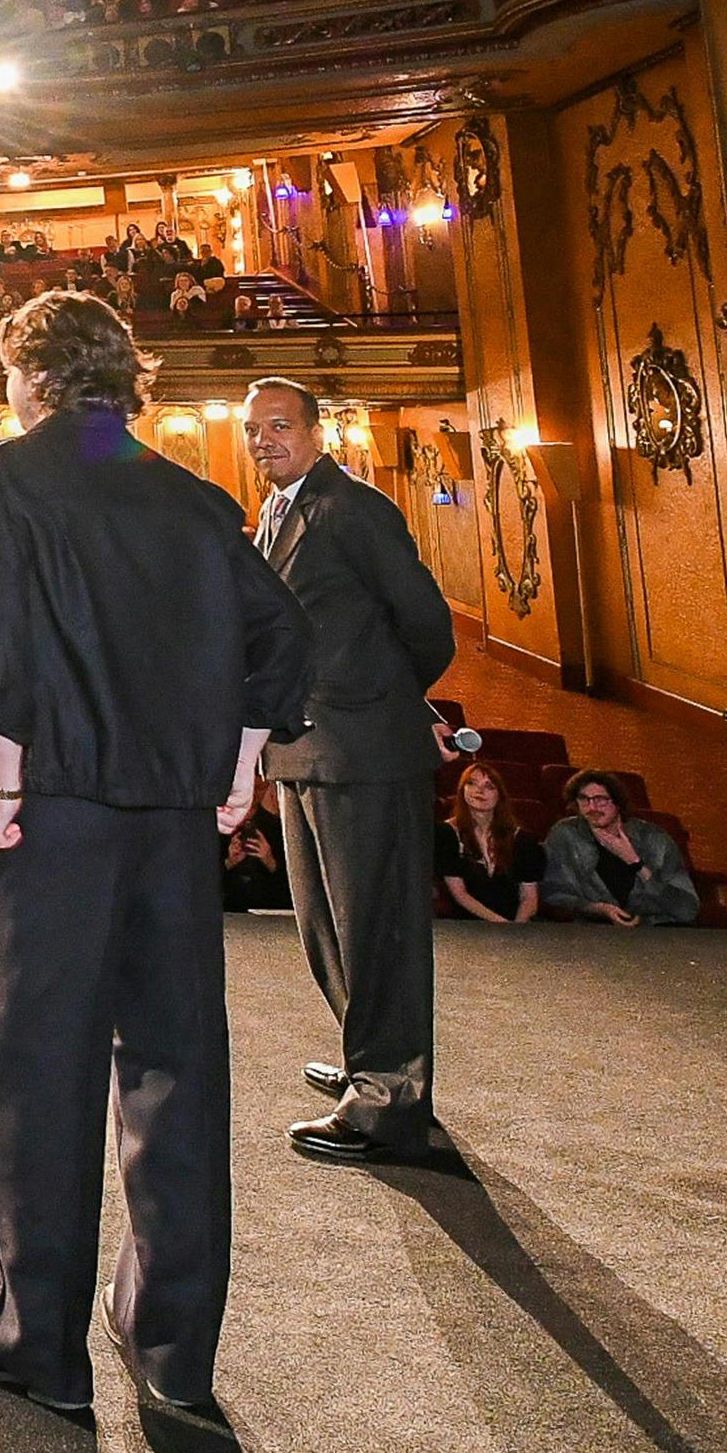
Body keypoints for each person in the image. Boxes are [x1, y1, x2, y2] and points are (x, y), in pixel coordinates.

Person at [0, 291, 310, 1427]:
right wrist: (238, 766)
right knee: (175, 1071)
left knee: (38, 1069)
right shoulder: (193, 498)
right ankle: (171, 1350)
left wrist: (0, 781)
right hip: (172, 829)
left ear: (31, 373)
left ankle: (29, 1342)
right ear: (120, 382)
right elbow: (281, 634)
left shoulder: (0, 476)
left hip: (55, 817)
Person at [242, 375, 460, 1168]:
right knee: (325, 925)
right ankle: (367, 1057)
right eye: (253, 430)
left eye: (279, 426)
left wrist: (388, 699)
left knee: (377, 927)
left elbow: (427, 624)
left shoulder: (354, 508)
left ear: (316, 431)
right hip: (304, 750)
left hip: (363, 752)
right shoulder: (275, 511)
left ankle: (389, 1098)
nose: (265, 441)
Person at [540, 772, 701, 926]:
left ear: (618, 803)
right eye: (584, 799)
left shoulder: (653, 837)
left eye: (601, 799)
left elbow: (687, 910)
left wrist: (635, 862)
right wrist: (599, 909)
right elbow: (551, 891)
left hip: (657, 927)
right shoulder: (565, 834)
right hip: (596, 931)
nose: (592, 807)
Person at [437, 765, 539, 925]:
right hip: (465, 927)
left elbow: (529, 897)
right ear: (461, 790)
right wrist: (502, 926)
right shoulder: (446, 833)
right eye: (471, 783)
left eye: (489, 786)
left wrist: (517, 931)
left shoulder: (522, 839)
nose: (479, 790)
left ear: (500, 795)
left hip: (516, 927)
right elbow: (460, 894)